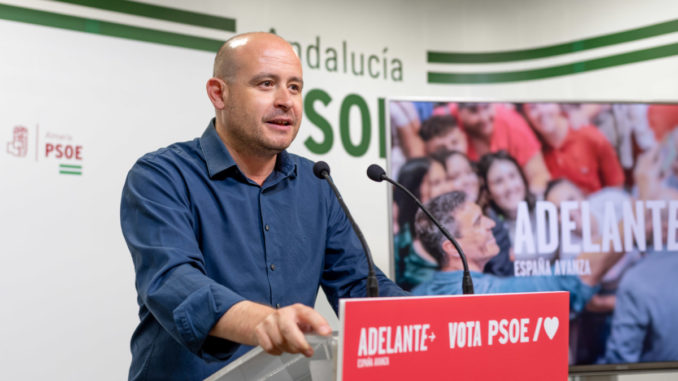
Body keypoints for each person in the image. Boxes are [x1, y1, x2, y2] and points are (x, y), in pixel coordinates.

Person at [120, 32, 406, 381]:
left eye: (295, 87)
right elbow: (173, 280)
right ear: (218, 93)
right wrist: (262, 322)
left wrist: (439, 318)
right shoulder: (161, 176)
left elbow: (361, 284)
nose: (286, 101)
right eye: (267, 84)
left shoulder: (316, 184)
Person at [411, 191, 624, 315]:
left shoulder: (414, 298)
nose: (492, 223)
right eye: (478, 222)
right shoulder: (490, 296)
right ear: (451, 248)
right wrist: (633, 223)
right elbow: (575, 279)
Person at [433, 150, 514, 276]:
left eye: (469, 172)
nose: (467, 180)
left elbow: (502, 277)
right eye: (454, 177)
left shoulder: (493, 221)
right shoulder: (431, 226)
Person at [521, 102, 625, 195]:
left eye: (545, 103)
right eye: (532, 108)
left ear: (558, 104)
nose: (541, 111)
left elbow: (616, 186)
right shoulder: (535, 155)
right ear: (527, 116)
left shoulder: (589, 136)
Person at [456, 102, 551, 193]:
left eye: (486, 107)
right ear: (459, 112)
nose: (483, 117)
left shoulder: (513, 125)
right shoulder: (451, 124)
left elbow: (539, 176)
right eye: (474, 111)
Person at [393, 157, 454, 290]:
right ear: (414, 190)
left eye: (447, 179)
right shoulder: (400, 246)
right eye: (437, 183)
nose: (448, 188)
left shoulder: (459, 226)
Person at [477, 151, 549, 262]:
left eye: (513, 176)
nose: (509, 187)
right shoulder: (490, 231)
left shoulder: (547, 206)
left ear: (523, 178)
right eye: (498, 181)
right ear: (488, 193)